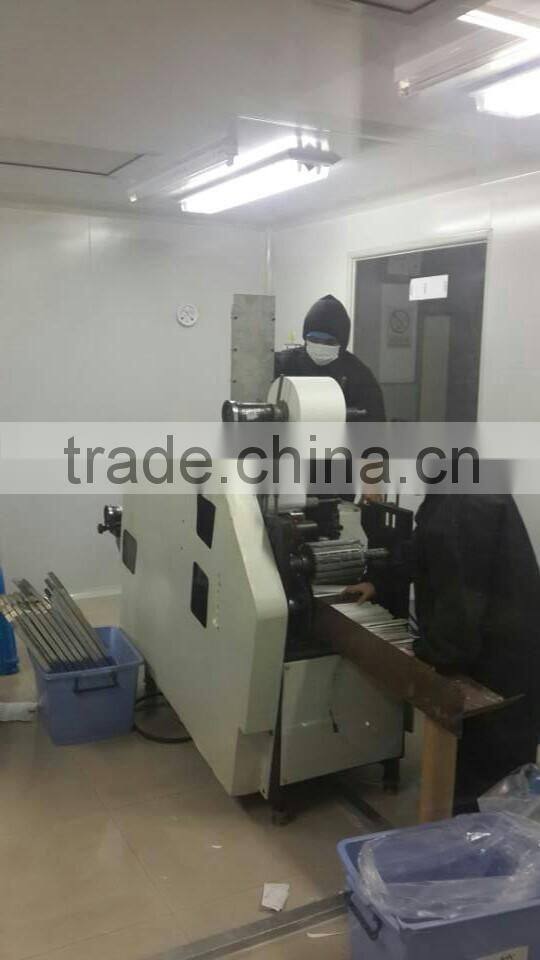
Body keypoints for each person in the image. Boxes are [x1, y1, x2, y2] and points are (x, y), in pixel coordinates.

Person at [344, 494, 540, 812]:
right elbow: (425, 544)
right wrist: (380, 580)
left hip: (498, 660)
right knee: (481, 766)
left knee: (487, 776)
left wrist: (433, 655)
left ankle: (473, 834)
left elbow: (460, 598)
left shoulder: (464, 504)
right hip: (490, 645)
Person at [275, 294, 386, 421]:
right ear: (305, 338)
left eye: (329, 342)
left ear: (342, 343)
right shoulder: (283, 364)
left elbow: (374, 423)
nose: (320, 346)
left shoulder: (360, 377)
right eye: (314, 340)